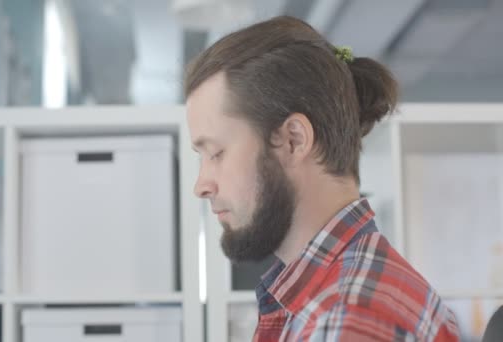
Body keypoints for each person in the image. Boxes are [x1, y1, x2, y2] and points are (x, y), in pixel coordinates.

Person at [184, 16, 460, 341]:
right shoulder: (342, 294)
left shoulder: (346, 319)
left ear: (294, 140)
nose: (201, 185)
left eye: (216, 153)